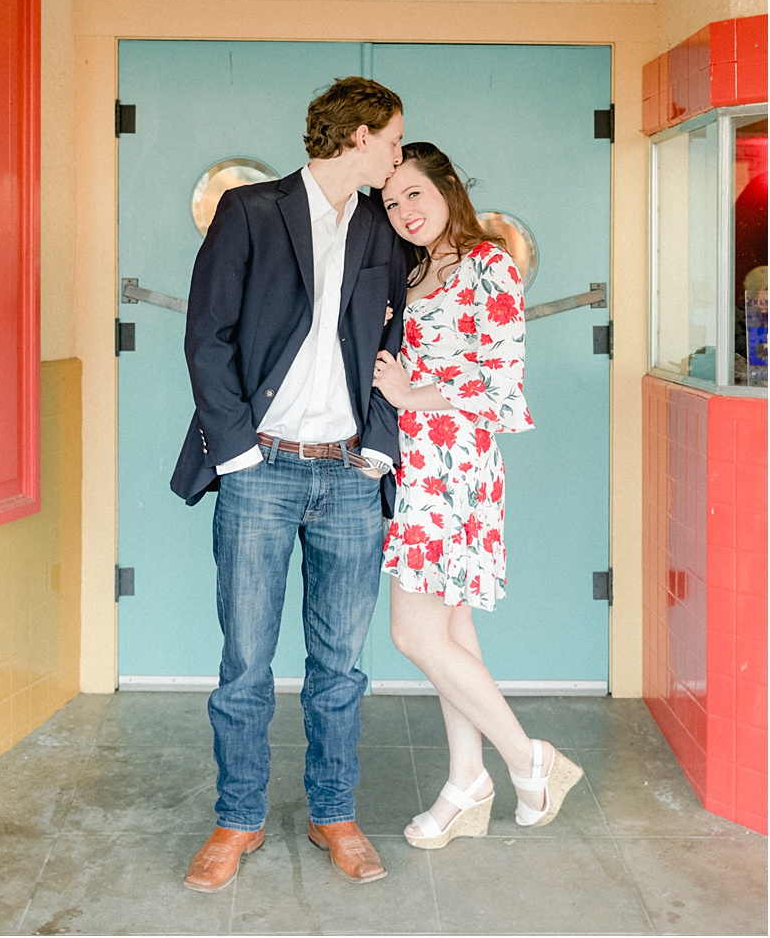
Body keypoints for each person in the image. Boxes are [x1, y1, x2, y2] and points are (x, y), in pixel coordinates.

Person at [171, 77, 408, 888]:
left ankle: (333, 814)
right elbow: (207, 338)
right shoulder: (251, 211)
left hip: (349, 472)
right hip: (259, 468)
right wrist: (236, 454)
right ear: (358, 136)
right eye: (393, 140)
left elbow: (395, 347)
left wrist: (377, 449)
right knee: (245, 661)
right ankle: (237, 821)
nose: (398, 155)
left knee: (339, 665)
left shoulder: (381, 227)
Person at [373, 142, 582, 849]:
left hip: (454, 465)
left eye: (413, 194)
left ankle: (530, 760)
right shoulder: (412, 272)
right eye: (391, 200)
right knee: (450, 632)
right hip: (416, 462)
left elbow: (501, 388)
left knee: (414, 633)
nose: (403, 211)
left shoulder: (487, 264)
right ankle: (467, 781)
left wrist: (409, 392)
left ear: (446, 189)